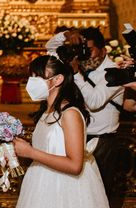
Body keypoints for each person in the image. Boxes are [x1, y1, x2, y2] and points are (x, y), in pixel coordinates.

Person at [13, 55, 109, 207]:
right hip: (40, 183)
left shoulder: (70, 114)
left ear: (58, 80)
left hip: (65, 187)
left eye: (37, 76)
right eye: (31, 76)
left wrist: (31, 152)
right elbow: (46, 152)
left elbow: (75, 165)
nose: (32, 81)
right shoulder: (46, 112)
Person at [72, 27, 125, 198]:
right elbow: (52, 47)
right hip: (81, 138)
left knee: (100, 194)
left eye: (89, 49)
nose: (85, 54)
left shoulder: (115, 73)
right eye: (83, 49)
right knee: (80, 194)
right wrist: (67, 36)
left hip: (103, 142)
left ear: (103, 50)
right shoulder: (84, 69)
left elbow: (94, 102)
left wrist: (76, 75)